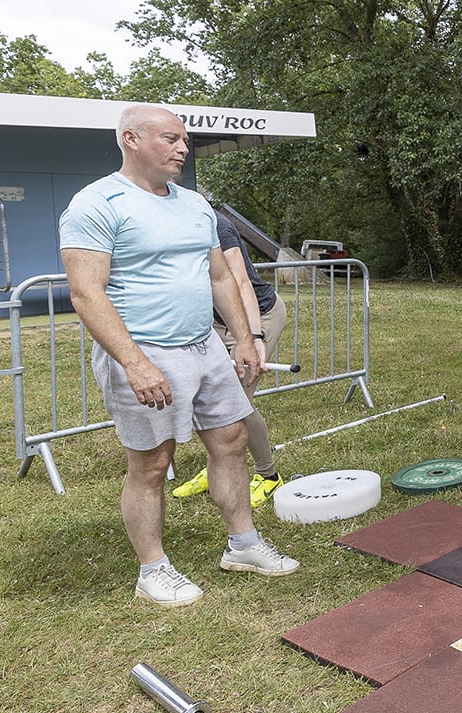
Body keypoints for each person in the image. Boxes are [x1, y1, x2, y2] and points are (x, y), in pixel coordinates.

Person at [59, 104, 300, 608]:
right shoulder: (96, 203)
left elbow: (219, 277)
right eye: (170, 139)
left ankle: (244, 545)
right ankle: (153, 569)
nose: (182, 149)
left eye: (183, 140)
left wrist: (244, 338)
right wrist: (135, 362)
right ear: (130, 139)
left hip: (205, 346)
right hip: (145, 350)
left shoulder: (194, 205)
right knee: (152, 462)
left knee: (232, 439)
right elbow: (87, 294)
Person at [171, 209, 287, 507]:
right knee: (209, 399)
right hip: (214, 323)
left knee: (237, 402)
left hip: (257, 315)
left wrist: (253, 337)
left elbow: (239, 282)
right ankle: (218, 467)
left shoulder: (215, 225)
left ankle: (268, 476)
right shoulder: (163, 224)